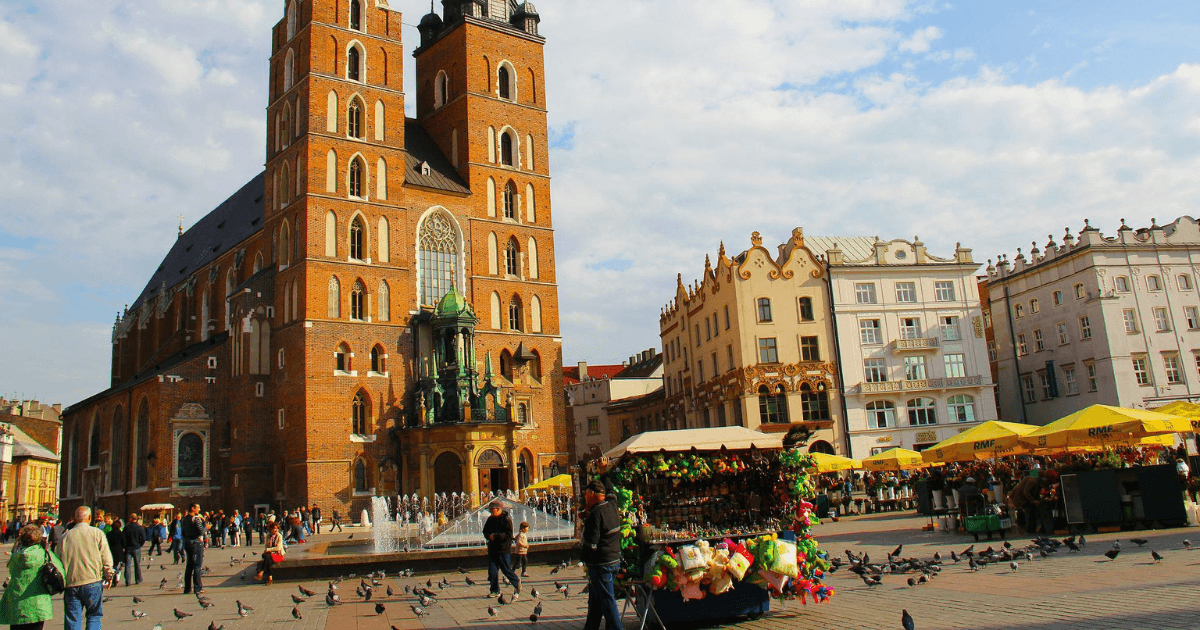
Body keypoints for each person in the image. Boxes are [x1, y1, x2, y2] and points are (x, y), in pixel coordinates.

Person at [0, 524, 65, 630]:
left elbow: (12, 572)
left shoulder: (16, 556)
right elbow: (60, 572)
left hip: (18, 604)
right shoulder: (45, 554)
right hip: (39, 604)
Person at [61, 506, 114, 630]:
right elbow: (106, 556)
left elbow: (58, 561)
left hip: (71, 582)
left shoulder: (65, 537)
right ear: (90, 518)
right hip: (92, 581)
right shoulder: (97, 533)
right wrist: (109, 574)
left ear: (75, 519)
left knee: (73, 619)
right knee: (94, 615)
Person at [581, 479, 622, 630]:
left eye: (586, 495)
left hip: (601, 564)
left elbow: (591, 544)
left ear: (591, 495)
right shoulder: (612, 505)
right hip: (614, 560)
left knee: (608, 601)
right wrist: (604, 472)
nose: (585, 498)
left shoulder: (595, 513)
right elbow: (611, 491)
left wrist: (584, 557)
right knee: (596, 602)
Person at [482, 501, 520, 599]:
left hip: (503, 549)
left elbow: (508, 535)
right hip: (492, 549)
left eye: (492, 510)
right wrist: (488, 536)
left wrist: (495, 536)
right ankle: (494, 590)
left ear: (499, 509)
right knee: (492, 570)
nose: (491, 512)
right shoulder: (490, 519)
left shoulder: (506, 520)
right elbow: (485, 531)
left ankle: (516, 582)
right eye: (490, 510)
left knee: (506, 569)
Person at [181, 503, 207, 594]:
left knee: (189, 566)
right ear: (193, 508)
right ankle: (198, 587)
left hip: (188, 542)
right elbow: (200, 531)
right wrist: (206, 527)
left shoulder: (183, 519)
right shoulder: (195, 519)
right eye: (198, 508)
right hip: (196, 543)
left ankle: (187, 588)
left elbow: (183, 532)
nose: (199, 509)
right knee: (197, 566)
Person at [254, 521, 285, 586]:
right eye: (274, 528)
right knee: (268, 559)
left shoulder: (279, 536)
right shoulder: (268, 536)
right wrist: (267, 550)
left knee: (267, 558)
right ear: (271, 529)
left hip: (278, 555)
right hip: (270, 555)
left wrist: (268, 550)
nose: (276, 530)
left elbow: (278, 548)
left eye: (277, 528)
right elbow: (266, 546)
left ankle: (261, 573)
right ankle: (269, 578)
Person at [122, 514, 146, 586]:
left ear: (130, 519)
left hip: (128, 548)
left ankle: (128, 581)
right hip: (136, 547)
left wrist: (124, 546)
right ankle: (138, 579)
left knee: (127, 565)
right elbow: (144, 538)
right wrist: (140, 544)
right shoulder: (139, 528)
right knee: (137, 564)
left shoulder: (126, 528)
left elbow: (123, 538)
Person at [103, 519, 123, 586]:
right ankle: (115, 578)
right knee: (116, 566)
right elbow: (124, 543)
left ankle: (112, 577)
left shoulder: (109, 534)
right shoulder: (121, 534)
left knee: (112, 565)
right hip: (119, 552)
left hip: (111, 551)